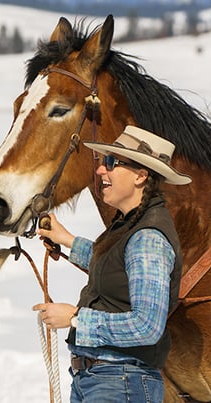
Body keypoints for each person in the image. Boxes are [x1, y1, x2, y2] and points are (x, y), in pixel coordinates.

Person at [32, 125, 192, 403]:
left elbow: (147, 326)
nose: (100, 171)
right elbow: (114, 266)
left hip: (120, 383)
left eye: (111, 163)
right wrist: (67, 240)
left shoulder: (147, 238)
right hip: (105, 381)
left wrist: (75, 319)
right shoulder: (130, 226)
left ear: (141, 176)